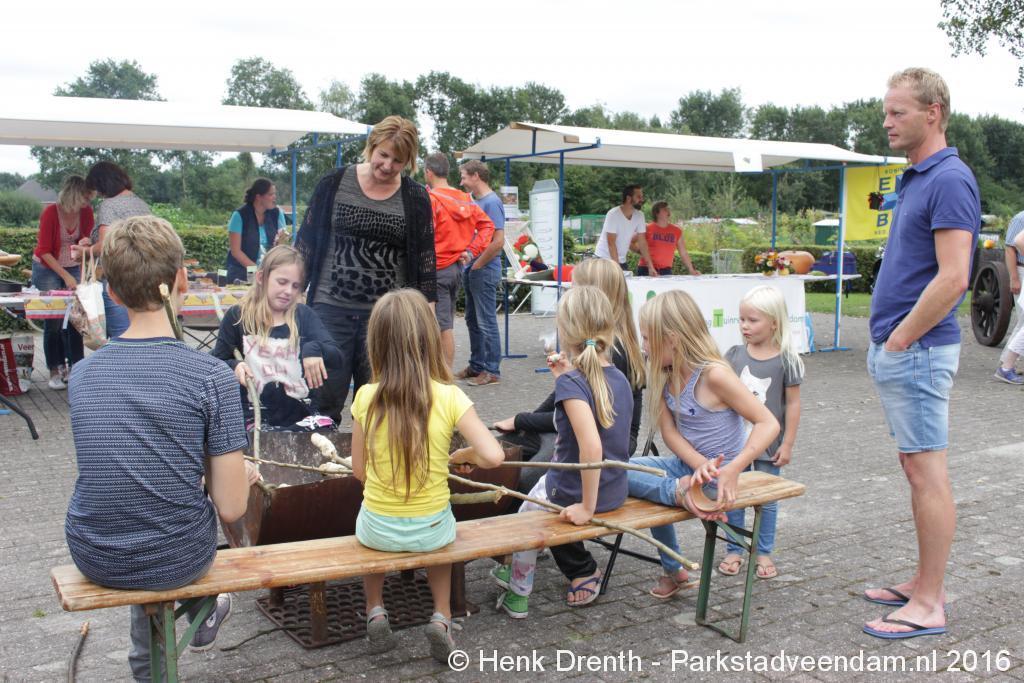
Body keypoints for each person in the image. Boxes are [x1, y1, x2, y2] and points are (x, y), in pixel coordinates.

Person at [63, 215, 259, 681]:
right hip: (176, 555)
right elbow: (233, 508)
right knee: (164, 532)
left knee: (145, 516)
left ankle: (146, 665)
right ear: (182, 280)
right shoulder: (211, 377)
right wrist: (233, 475)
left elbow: (123, 465)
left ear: (112, 293)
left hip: (93, 550)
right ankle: (202, 608)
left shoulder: (82, 375)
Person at [863, 68, 980, 640]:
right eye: (886, 112)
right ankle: (922, 581)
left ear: (933, 113)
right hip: (906, 352)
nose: (887, 122)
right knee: (915, 469)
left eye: (898, 112)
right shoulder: (916, 177)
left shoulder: (950, 179)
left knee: (928, 474)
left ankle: (930, 602)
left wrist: (901, 338)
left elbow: (955, 277)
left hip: (919, 352)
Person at [350, 289, 504, 662]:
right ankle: (441, 617)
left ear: (377, 343)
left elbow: (359, 470)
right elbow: (494, 456)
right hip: (431, 528)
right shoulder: (450, 396)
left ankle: (375, 609)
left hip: (378, 528)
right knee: (440, 541)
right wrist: (465, 455)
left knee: (369, 527)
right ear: (428, 340)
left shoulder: (366, 396)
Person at [626, 290, 778, 599]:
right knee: (615, 469)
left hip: (720, 479)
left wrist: (733, 468)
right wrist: (698, 464)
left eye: (647, 338)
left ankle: (673, 560)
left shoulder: (714, 375)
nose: (643, 346)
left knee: (647, 486)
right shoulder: (662, 373)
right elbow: (669, 433)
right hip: (687, 470)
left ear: (672, 339)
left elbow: (768, 423)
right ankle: (676, 557)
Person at [493, 286, 634, 617]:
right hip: (615, 488)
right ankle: (513, 569)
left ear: (566, 331)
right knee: (529, 504)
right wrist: (564, 378)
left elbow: (592, 446)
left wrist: (586, 507)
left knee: (525, 522)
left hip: (574, 492)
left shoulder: (574, 384)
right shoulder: (618, 377)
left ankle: (518, 593)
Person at [296, 116, 436, 418]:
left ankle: (371, 450)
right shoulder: (333, 183)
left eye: (397, 161)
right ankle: (319, 447)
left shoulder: (415, 197)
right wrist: (290, 296)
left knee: (380, 403)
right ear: (371, 146)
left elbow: (425, 262)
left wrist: (427, 322)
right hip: (329, 310)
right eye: (383, 155)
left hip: (386, 317)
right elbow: (305, 243)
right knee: (321, 397)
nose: (387, 165)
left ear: (408, 161)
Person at [493, 257, 645, 494]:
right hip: (583, 430)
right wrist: (526, 422)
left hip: (605, 439)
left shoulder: (613, 353)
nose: (568, 293)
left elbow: (585, 416)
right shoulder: (595, 344)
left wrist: (521, 420)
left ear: (591, 298)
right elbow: (564, 397)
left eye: (574, 288)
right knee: (498, 451)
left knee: (522, 478)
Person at [719, 286, 804, 579]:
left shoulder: (788, 360)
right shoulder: (733, 356)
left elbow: (793, 404)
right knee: (732, 495)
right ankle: (734, 548)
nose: (744, 325)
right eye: (742, 319)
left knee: (767, 502)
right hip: (735, 443)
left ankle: (763, 551)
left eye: (752, 320)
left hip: (770, 445)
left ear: (774, 323)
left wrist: (788, 443)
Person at [211, 245, 341, 430]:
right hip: (252, 417)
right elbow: (216, 363)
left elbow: (337, 358)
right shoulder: (238, 316)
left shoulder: (303, 315)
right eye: (282, 282)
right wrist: (234, 365)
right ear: (261, 278)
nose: (289, 291)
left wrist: (314, 349)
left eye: (295, 286)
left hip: (300, 415)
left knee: (324, 428)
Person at [423, 153, 494, 370]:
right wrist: (471, 251)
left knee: (441, 327)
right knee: (445, 324)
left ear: (428, 172)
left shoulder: (431, 199)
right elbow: (487, 226)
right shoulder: (465, 199)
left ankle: (443, 378)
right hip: (455, 268)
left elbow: (425, 235)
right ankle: (441, 376)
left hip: (435, 269)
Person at [30, 175, 94, 389]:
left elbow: (88, 240)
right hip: (47, 267)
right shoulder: (51, 212)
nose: (89, 201)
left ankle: (76, 367)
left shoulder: (86, 212)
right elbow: (44, 251)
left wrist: (86, 242)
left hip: (73, 264)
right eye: (86, 197)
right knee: (54, 321)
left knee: (76, 319)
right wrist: (65, 276)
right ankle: (55, 369)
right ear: (75, 195)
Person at [81, 161, 152, 338]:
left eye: (97, 188)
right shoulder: (141, 204)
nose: (98, 194)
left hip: (117, 278)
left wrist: (84, 252)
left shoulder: (109, 205)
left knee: (121, 336)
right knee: (141, 333)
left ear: (103, 184)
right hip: (144, 278)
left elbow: (106, 245)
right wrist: (92, 239)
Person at [458, 160, 506, 386]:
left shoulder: (492, 202)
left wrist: (477, 265)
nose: (461, 182)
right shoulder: (475, 201)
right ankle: (477, 365)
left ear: (476, 176)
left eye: (464, 177)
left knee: (486, 321)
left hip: (484, 269)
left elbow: (498, 241)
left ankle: (492, 370)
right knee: (472, 319)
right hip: (473, 267)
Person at [225, 178, 287, 284]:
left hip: (268, 273)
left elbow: (281, 245)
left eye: (275, 194)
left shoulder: (277, 213)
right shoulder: (239, 215)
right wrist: (257, 271)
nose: (274, 197)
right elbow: (236, 252)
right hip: (240, 274)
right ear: (259, 197)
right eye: (271, 194)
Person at [593, 184, 657, 276]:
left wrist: (650, 267)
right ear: (628, 198)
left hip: (621, 261)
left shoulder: (640, 216)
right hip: (603, 259)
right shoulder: (613, 214)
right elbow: (611, 244)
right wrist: (617, 269)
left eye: (642, 197)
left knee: (624, 285)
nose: (642, 200)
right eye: (638, 197)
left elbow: (642, 242)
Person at [994, 210, 1024, 384]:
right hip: (1021, 270)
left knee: (1022, 323)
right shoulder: (1020, 218)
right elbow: (1011, 247)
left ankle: (1006, 364)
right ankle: (1006, 366)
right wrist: (1014, 277)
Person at [635, 201, 700, 276]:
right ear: (657, 213)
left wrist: (691, 269)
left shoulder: (676, 231)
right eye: (665, 209)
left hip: (666, 270)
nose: (668, 211)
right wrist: (640, 251)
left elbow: (683, 253)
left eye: (668, 209)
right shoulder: (647, 228)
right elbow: (631, 242)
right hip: (646, 269)